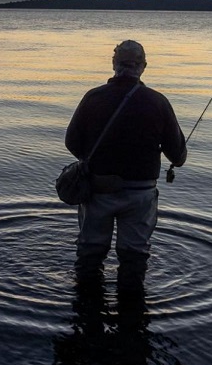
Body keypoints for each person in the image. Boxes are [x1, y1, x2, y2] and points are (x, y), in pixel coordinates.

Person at [65, 40, 187, 294]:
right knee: (134, 257)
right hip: (140, 193)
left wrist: (97, 161)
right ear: (143, 66)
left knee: (90, 253)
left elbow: (72, 142)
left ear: (114, 64)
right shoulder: (158, 102)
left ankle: (87, 310)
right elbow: (177, 155)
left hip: (98, 189)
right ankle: (132, 316)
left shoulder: (93, 97)